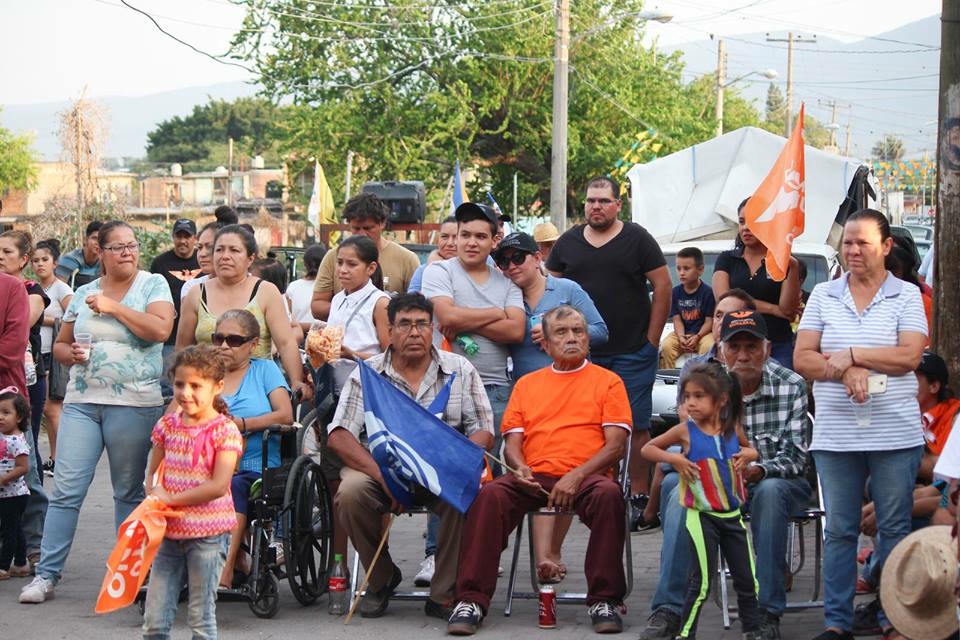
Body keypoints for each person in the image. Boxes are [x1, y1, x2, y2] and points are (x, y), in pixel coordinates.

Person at [447, 305, 631, 636]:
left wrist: (576, 476)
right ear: (544, 344)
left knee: (609, 495)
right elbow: (513, 441)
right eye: (562, 332)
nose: (572, 338)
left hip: (588, 476)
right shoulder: (528, 384)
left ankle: (605, 599)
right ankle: (471, 599)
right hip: (534, 476)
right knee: (488, 496)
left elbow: (616, 446)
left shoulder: (609, 382)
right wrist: (518, 466)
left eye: (578, 331)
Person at [20, 220, 175, 605]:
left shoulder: (153, 284)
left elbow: (159, 330)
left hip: (134, 404)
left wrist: (114, 308)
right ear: (100, 252)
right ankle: (46, 575)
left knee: (126, 491)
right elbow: (61, 346)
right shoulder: (86, 290)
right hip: (82, 402)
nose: (127, 252)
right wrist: (68, 353)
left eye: (132, 245)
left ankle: (126, 576)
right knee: (67, 491)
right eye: (118, 247)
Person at [795, 208, 928, 640]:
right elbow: (804, 357)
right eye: (847, 243)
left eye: (863, 243)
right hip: (837, 434)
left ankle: (894, 617)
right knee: (840, 529)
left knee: (893, 527)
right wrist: (843, 371)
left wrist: (853, 354)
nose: (852, 251)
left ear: (886, 247)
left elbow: (909, 356)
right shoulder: (824, 295)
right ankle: (837, 622)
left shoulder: (906, 296)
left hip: (895, 432)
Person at [328, 293, 494, 619]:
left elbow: (483, 429)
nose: (414, 332)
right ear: (389, 331)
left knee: (467, 488)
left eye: (422, 324)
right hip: (379, 468)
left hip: (439, 471)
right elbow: (339, 435)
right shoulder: (368, 374)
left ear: (433, 330)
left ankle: (444, 593)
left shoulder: (459, 368)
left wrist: (457, 462)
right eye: (404, 324)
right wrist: (382, 476)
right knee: (349, 492)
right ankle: (381, 579)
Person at [545, 176, 671, 531]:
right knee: (589, 427)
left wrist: (652, 338)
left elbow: (662, 286)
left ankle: (640, 497)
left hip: (633, 351)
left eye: (603, 201)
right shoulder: (567, 243)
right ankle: (600, 492)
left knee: (634, 424)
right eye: (590, 201)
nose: (595, 207)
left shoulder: (638, 239)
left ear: (618, 204)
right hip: (583, 357)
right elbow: (549, 289)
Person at [637, 289, 760, 639]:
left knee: (773, 496)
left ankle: (762, 616)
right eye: (718, 315)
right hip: (697, 480)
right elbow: (675, 436)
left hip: (746, 484)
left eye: (731, 317)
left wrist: (753, 460)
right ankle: (670, 609)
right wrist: (677, 459)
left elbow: (764, 449)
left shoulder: (780, 380)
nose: (722, 324)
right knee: (678, 495)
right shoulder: (696, 370)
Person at [493, 231, 608, 584]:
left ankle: (550, 553)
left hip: (573, 389)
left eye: (519, 258)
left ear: (537, 257)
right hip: (527, 394)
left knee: (563, 462)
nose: (511, 266)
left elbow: (601, 331)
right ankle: (532, 555)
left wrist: (561, 333)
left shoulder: (566, 289)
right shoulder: (503, 294)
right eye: (504, 261)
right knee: (528, 470)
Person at [142, 345, 243, 640]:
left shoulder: (224, 431)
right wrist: (151, 493)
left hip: (208, 535)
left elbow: (217, 486)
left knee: (200, 617)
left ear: (217, 387)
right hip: (169, 533)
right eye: (179, 384)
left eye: (196, 385)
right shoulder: (168, 425)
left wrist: (170, 499)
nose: (186, 392)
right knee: (154, 621)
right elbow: (153, 470)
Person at [200, 311, 292, 589]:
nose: (225, 346)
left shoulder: (264, 370)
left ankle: (226, 570)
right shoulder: (203, 372)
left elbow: (285, 415)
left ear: (252, 344)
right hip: (205, 464)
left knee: (234, 485)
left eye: (234, 340)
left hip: (255, 465)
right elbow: (175, 413)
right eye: (219, 339)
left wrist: (240, 423)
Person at [421, 202, 525, 441]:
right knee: (445, 464)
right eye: (465, 235)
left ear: (494, 241)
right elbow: (447, 316)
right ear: (456, 237)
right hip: (445, 383)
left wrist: (462, 319)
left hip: (495, 389)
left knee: (492, 471)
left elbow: (516, 330)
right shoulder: (438, 272)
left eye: (480, 236)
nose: (471, 242)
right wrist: (496, 313)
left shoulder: (507, 281)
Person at [176, 224, 309, 400]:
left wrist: (296, 381)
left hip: (257, 392)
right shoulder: (196, 294)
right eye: (219, 250)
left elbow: (285, 343)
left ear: (250, 259)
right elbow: (183, 348)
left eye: (234, 250)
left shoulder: (266, 292)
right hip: (206, 395)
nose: (225, 256)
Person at [713, 198, 800, 370]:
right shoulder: (727, 259)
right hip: (735, 344)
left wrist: (793, 267)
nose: (745, 228)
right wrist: (774, 309)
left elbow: (788, 310)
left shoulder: (783, 261)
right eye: (742, 221)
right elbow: (725, 301)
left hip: (777, 343)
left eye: (753, 222)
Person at [311, 193, 420, 319]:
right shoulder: (333, 257)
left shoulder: (407, 259)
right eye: (356, 228)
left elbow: (416, 307)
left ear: (382, 223)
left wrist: (379, 310)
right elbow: (317, 305)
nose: (362, 234)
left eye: (368, 228)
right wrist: (351, 308)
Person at [0, 231, 50, 475]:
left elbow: (20, 328)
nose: (0, 257)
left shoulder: (31, 290)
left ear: (23, 259)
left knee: (24, 448)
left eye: (7, 252)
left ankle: (35, 508)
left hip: (25, 378)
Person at [31, 240, 73, 475]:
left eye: (44, 260)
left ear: (55, 262)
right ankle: (55, 458)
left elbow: (73, 316)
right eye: (36, 261)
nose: (40, 264)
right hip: (39, 353)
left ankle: (60, 460)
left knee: (52, 409)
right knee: (47, 409)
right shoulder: (36, 288)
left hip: (55, 355)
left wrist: (41, 318)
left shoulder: (62, 289)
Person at [150, 218, 201, 401]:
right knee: (169, 384)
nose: (183, 241)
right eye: (178, 236)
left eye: (187, 236)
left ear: (195, 238)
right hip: (170, 336)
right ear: (173, 237)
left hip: (199, 334)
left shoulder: (203, 261)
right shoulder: (160, 263)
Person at [659, 247, 715, 369]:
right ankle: (667, 380)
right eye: (678, 268)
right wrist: (681, 337)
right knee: (666, 346)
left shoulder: (708, 293)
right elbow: (677, 319)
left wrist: (697, 336)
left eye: (686, 268)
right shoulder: (675, 292)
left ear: (700, 270)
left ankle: (704, 379)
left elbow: (709, 321)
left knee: (709, 346)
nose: (681, 273)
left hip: (702, 334)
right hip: (681, 333)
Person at [0, 389, 31, 580]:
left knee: (8, 530)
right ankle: (20, 564)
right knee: (14, 527)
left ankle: (3, 566)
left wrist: (4, 479)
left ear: (19, 417)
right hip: (5, 494)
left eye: (6, 413)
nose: (1, 418)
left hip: (15, 494)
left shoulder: (17, 440)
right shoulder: (3, 437)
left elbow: (23, 467)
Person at [408, 216, 458, 294]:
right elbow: (410, 301)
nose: (449, 243)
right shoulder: (422, 270)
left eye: (456, 237)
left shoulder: (474, 270)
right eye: (444, 237)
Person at [287, 243, 327, 334]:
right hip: (324, 337)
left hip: (298, 337)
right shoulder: (329, 287)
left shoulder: (293, 287)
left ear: (305, 264)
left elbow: (289, 318)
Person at [55, 220, 103, 290]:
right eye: (94, 238)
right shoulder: (70, 259)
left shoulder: (104, 261)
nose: (97, 243)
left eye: (101, 239)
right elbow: (58, 289)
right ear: (85, 239)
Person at [179, 221, 218, 303]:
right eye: (199, 247)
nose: (202, 254)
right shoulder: (192, 287)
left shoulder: (251, 286)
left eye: (210, 247)